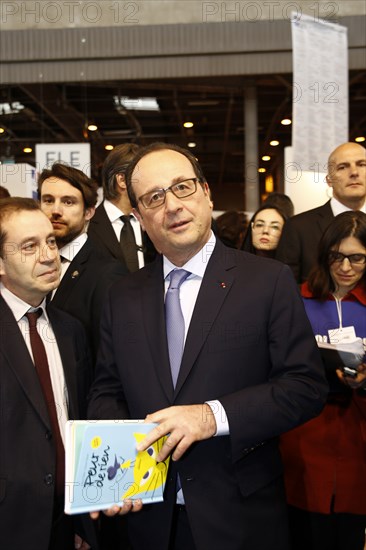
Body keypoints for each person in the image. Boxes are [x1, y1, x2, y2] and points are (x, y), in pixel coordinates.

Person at [88, 142, 328, 550]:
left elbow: (304, 387)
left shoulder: (267, 280)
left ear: (206, 193)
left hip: (238, 515)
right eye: (154, 197)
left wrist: (211, 416)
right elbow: (107, 391)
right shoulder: (121, 295)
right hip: (148, 519)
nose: (173, 206)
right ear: (140, 217)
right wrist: (121, 471)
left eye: (182, 187)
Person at [0, 198, 98, 550]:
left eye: (51, 241)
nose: (48, 255)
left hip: (63, 524)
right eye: (29, 246)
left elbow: (79, 422)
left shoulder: (71, 330)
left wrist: (83, 519)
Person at [280, 210, 366, 550]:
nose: (345, 267)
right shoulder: (295, 299)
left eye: (357, 258)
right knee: (302, 530)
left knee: (347, 531)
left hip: (356, 435)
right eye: (336, 256)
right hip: (304, 433)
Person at [38, 163, 127, 363]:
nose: (56, 211)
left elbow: (109, 360)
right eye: (48, 200)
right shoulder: (29, 264)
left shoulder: (107, 274)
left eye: (68, 202)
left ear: (89, 212)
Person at [276, 142, 366, 283]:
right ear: (329, 180)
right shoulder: (298, 228)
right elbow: (286, 292)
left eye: (362, 164)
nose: (354, 173)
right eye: (342, 167)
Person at [88, 143, 156, 271]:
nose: (150, 184)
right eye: (143, 177)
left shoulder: (152, 219)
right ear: (122, 180)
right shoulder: (87, 227)